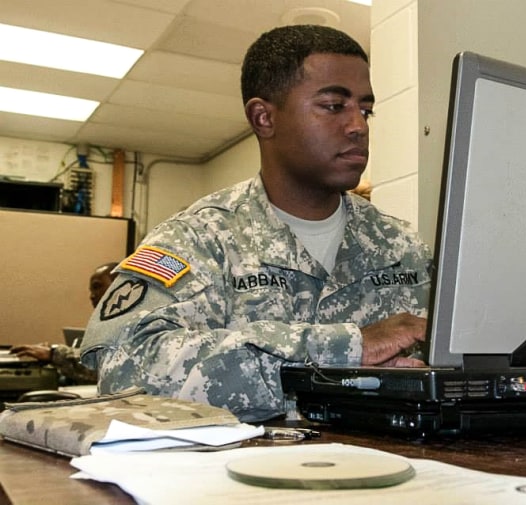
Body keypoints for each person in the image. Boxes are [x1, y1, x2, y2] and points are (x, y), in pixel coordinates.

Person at [80, 25, 432, 423]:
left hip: (395, 474)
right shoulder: (198, 239)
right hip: (243, 478)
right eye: (334, 106)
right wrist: (345, 348)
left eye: (365, 110)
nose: (358, 126)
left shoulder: (403, 247)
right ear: (264, 117)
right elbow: (122, 370)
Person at [11, 262, 118, 384]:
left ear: (120, 287)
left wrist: (53, 354)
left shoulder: (134, 324)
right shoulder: (108, 322)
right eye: (91, 290)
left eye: (97, 287)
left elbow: (103, 366)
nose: (91, 296)